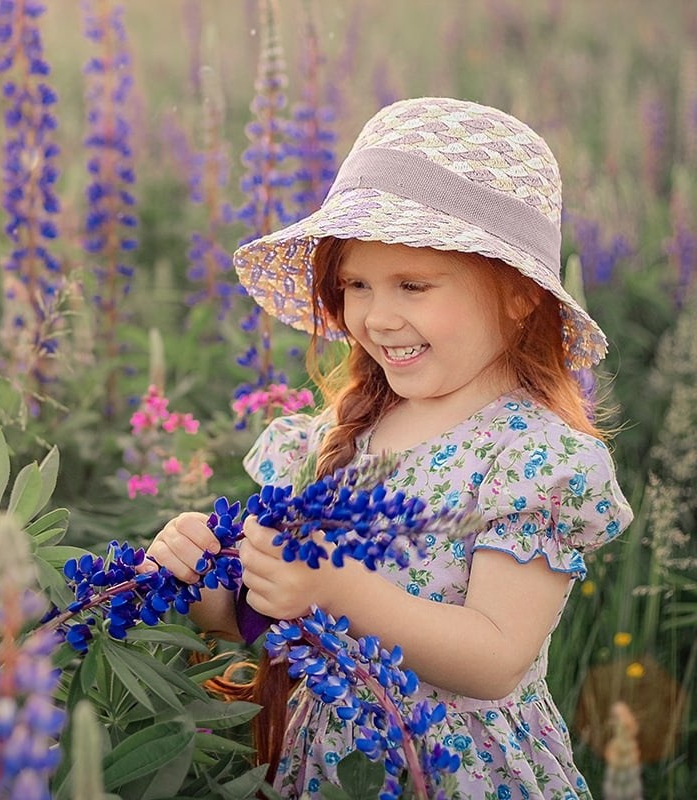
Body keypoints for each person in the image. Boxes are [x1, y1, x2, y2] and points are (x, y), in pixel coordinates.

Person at [143, 97, 633, 799]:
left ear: (521, 295)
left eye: (413, 285)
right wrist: (202, 578)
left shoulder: (533, 461)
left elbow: (496, 657)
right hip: (326, 765)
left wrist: (338, 589)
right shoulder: (342, 433)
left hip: (461, 773)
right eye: (356, 285)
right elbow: (253, 624)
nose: (376, 316)